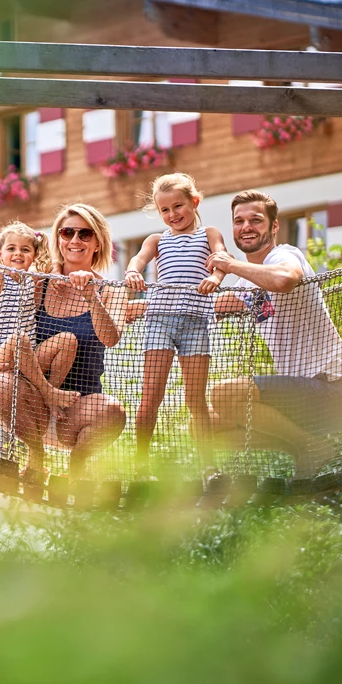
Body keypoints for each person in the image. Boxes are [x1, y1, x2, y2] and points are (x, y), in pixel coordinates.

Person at [205, 190, 342, 477]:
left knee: (223, 394)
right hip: (296, 402)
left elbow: (285, 279)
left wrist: (228, 263)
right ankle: (303, 446)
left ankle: (310, 447)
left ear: (274, 226)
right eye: (239, 221)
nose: (246, 227)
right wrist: (140, 308)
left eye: (256, 220)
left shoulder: (284, 254)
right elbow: (206, 306)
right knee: (204, 424)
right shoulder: (246, 282)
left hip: (332, 393)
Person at [0, 204, 128, 482]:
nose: (75, 240)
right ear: (58, 239)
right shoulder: (40, 282)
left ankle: (77, 467)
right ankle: (36, 455)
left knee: (113, 412)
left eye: (85, 234)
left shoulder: (112, 290)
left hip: (75, 410)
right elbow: (3, 309)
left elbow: (111, 339)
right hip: (33, 406)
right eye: (67, 232)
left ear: (98, 243)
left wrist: (91, 298)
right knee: (1, 384)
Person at [124, 173, 227, 472]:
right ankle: (139, 461)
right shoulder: (157, 240)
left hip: (196, 323)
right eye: (165, 210)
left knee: (195, 399)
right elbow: (137, 260)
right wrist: (133, 273)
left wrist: (215, 277)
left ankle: (209, 467)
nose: (172, 215)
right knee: (151, 395)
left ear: (194, 202)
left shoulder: (208, 234)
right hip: (160, 322)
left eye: (178, 206)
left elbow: (221, 259)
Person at [0, 221, 79, 425]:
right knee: (19, 338)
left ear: (34, 256)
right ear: (0, 254)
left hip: (29, 357)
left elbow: (52, 264)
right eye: (11, 249)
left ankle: (48, 393)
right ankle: (49, 393)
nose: (18, 253)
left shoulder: (32, 280)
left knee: (68, 340)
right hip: (2, 355)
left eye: (25, 249)